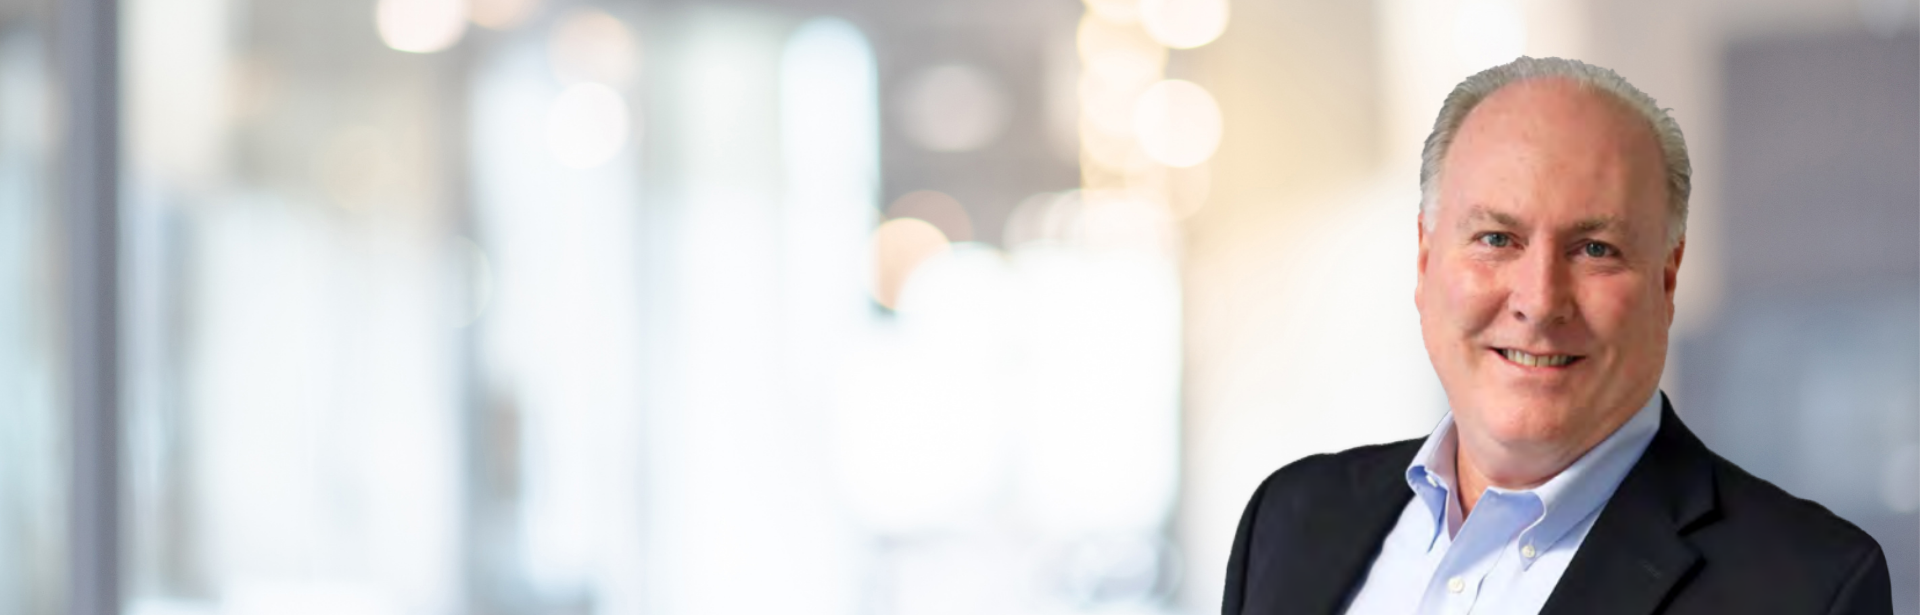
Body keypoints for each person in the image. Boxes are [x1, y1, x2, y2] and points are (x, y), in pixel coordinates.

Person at [1220, 57, 1891, 615]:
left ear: (1666, 277)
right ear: (1425, 262)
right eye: (1496, 238)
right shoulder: (1290, 518)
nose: (1540, 302)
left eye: (1595, 248)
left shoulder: (1812, 588)